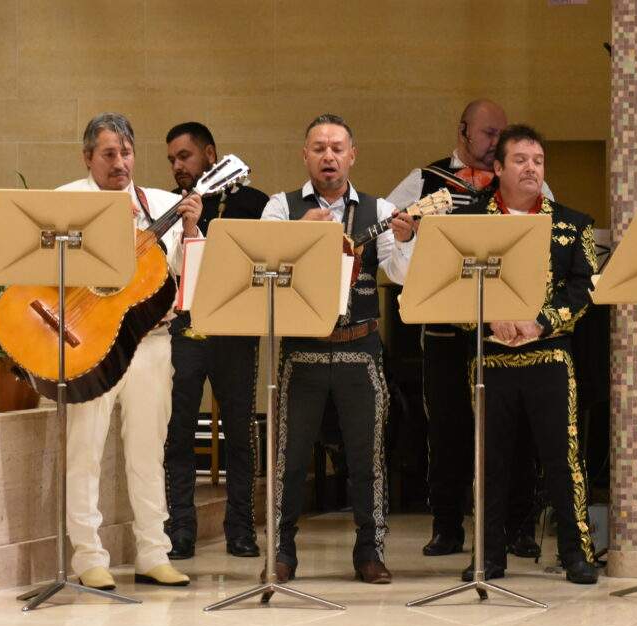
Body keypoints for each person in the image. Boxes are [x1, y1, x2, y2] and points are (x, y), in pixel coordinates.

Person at [387, 99, 548, 559]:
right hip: (444, 330)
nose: (497, 143)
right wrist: (408, 240)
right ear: (463, 131)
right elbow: (390, 251)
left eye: (502, 135)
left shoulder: (522, 179)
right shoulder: (423, 181)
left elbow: (546, 245)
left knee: (514, 430)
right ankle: (447, 526)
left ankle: (517, 528)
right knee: (447, 429)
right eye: (489, 134)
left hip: (506, 330)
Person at [260, 113, 418, 584]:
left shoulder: (381, 209)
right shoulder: (279, 208)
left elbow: (402, 276)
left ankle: (370, 551)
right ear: (304, 155)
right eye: (318, 148)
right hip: (302, 352)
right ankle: (282, 552)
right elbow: (266, 270)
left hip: (360, 349)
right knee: (287, 458)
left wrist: (406, 241)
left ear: (352, 155)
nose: (328, 156)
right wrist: (301, 237)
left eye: (337, 148)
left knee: (367, 456)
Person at [59, 112, 202, 591]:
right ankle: (87, 556)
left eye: (126, 153)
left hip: (152, 341)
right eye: (108, 154)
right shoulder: (67, 202)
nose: (120, 163)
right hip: (92, 344)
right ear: (88, 158)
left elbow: (188, 277)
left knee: (147, 451)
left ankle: (152, 552)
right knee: (85, 449)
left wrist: (194, 230)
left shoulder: (162, 204)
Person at [465, 123, 599, 584]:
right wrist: (488, 318)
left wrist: (540, 321)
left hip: (550, 358)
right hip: (491, 360)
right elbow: (449, 288)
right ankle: (488, 554)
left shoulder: (572, 224)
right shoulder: (468, 224)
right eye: (520, 160)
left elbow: (584, 291)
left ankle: (576, 553)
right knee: (489, 460)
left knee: (562, 457)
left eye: (538, 161)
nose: (531, 168)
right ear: (497, 168)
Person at [162, 122, 269, 559]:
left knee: (240, 432)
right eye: (171, 159)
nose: (177, 167)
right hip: (185, 329)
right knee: (179, 430)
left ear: (210, 153)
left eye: (184, 156)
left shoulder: (254, 203)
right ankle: (181, 529)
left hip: (235, 331)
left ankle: (241, 529)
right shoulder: (170, 207)